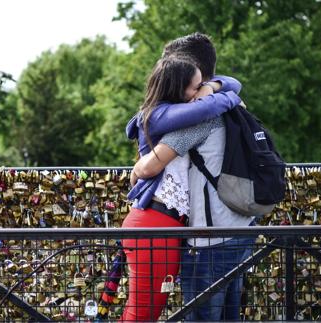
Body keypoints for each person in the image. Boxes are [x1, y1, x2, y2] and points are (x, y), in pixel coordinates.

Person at [131, 34, 256, 321]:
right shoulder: (233, 110)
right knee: (229, 316)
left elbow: (149, 166)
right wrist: (222, 89)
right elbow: (233, 84)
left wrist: (137, 169)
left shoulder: (198, 118)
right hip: (243, 226)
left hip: (209, 239)